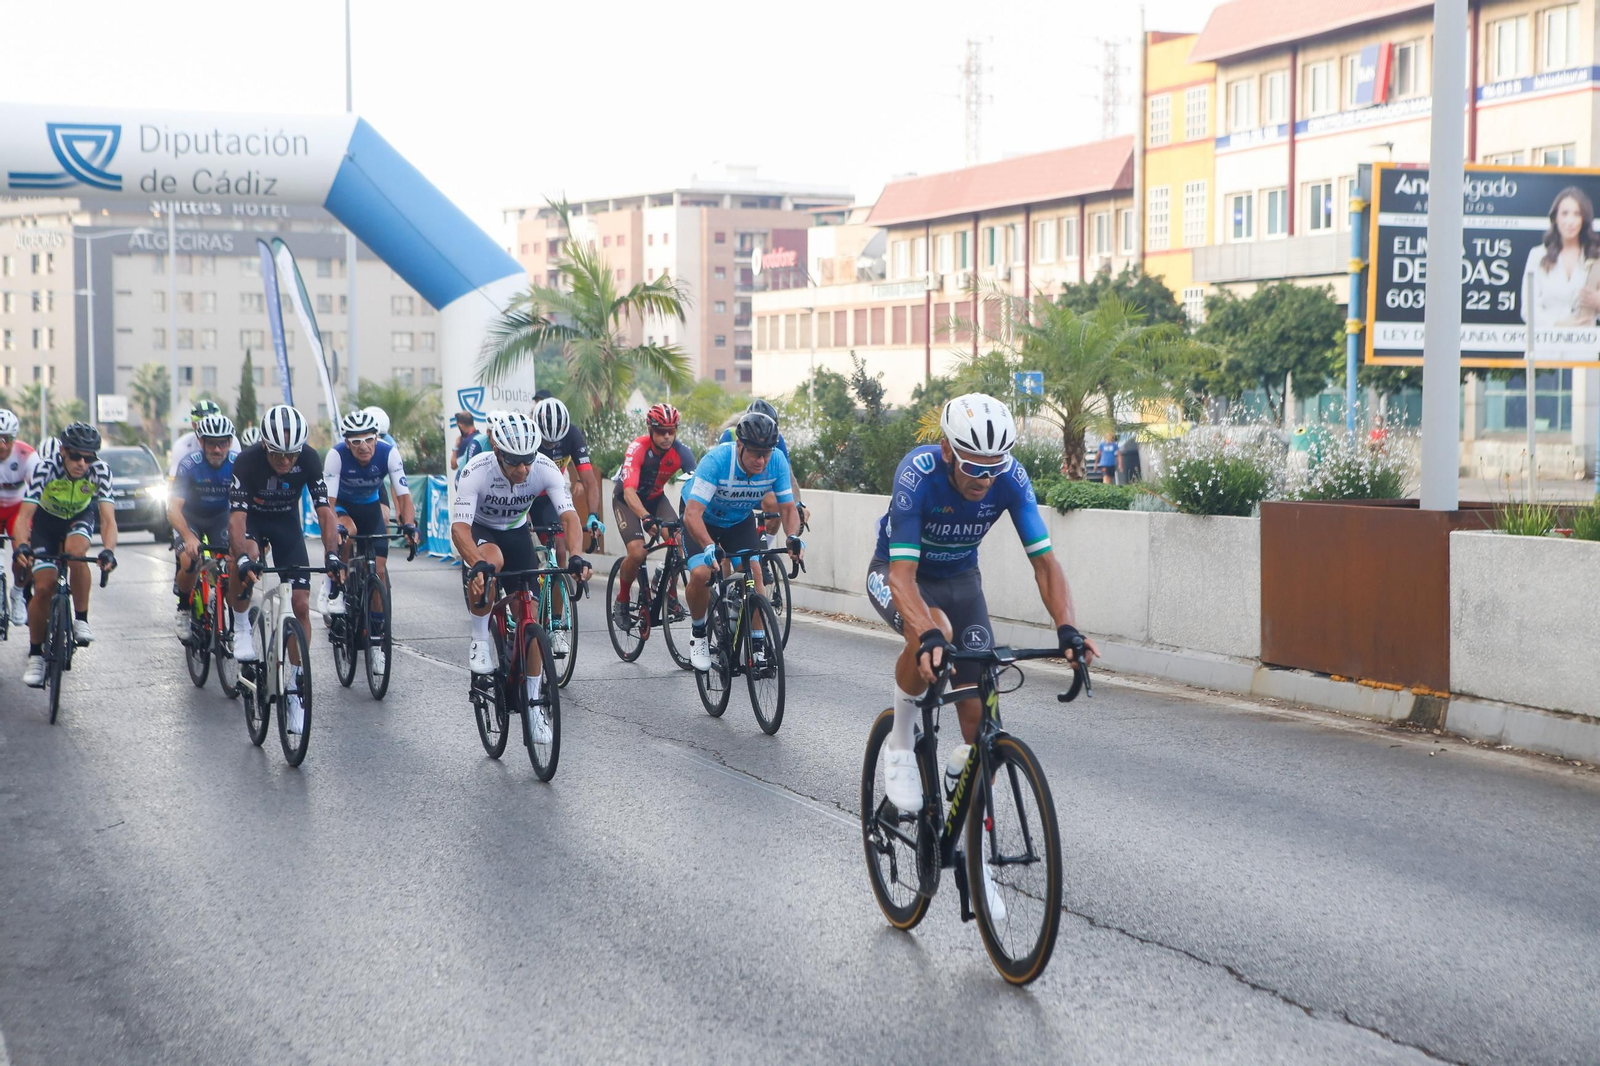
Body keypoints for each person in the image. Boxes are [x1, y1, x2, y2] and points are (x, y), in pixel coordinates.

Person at [869, 393, 1095, 822]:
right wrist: (929, 635)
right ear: (947, 451)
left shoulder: (1011, 477)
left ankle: (977, 862)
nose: (984, 481)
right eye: (973, 468)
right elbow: (901, 577)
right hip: (900, 573)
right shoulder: (918, 474)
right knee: (936, 632)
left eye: (993, 469)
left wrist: (1067, 629)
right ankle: (899, 743)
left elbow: (1045, 564)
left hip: (961, 581)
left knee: (980, 720)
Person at [451, 412, 591, 742]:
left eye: (528, 460)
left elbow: (569, 517)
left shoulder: (543, 468)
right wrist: (476, 564)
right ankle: (480, 639)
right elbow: (459, 529)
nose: (524, 470)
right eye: (515, 462)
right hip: (482, 531)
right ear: (498, 452)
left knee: (531, 618)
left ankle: (533, 705)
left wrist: (575, 556)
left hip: (516, 533)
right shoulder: (477, 469)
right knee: (491, 564)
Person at [227, 405, 342, 735]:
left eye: (291, 456)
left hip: (286, 525)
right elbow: (236, 520)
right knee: (244, 560)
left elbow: (324, 512)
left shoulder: (309, 458)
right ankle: (241, 628)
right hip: (253, 522)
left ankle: (294, 688)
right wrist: (243, 558)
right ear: (264, 445)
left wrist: (332, 554)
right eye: (277, 454)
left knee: (302, 605)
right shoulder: (247, 461)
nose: (285, 462)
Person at [681, 411, 803, 671]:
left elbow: (789, 509)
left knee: (755, 573)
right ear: (739, 446)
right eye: (755, 453)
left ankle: (757, 648)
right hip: (703, 518)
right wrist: (708, 546)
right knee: (702, 573)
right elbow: (692, 514)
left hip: (738, 519)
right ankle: (699, 632)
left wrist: (793, 537)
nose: (761, 460)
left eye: (766, 453)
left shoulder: (776, 461)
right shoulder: (717, 461)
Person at [13, 422, 118, 686]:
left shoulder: (101, 471)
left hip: (78, 520)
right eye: (75, 456)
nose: (82, 462)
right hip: (46, 525)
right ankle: (36, 655)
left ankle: (81, 619)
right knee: (45, 586)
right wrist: (22, 545)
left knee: (75, 553)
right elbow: (24, 516)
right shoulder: (46, 469)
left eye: (89, 456)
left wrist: (108, 550)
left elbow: (107, 519)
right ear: (63, 451)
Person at [322, 409, 418, 675]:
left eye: (368, 440)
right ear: (347, 443)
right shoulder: (336, 456)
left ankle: (376, 644)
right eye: (356, 442)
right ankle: (335, 586)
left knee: (379, 574)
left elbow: (405, 496)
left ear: (377, 438)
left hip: (371, 509)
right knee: (347, 531)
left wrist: (409, 525)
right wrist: (335, 530)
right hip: (342, 507)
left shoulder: (388, 453)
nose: (363, 447)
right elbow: (327, 505)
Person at [612, 403, 697, 628]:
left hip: (656, 499)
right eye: (661, 431)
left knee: (679, 540)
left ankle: (668, 593)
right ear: (650, 429)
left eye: (671, 431)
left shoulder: (682, 452)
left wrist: (695, 517)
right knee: (638, 552)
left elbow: (695, 488)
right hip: (627, 501)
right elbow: (629, 490)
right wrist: (645, 517)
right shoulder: (637, 448)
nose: (667, 436)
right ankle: (621, 600)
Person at [529, 395, 600, 655]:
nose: (550, 444)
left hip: (551, 494)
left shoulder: (572, 435)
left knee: (560, 552)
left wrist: (593, 515)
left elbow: (589, 480)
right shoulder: (527, 431)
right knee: (524, 551)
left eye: (554, 441)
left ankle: (557, 625)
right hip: (523, 495)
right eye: (545, 441)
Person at [168, 412, 240, 640]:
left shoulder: (238, 464)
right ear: (201, 442)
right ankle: (184, 608)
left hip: (220, 517)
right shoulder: (189, 465)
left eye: (222, 444)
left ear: (229, 442)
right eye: (211, 444)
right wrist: (188, 537)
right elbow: (173, 509)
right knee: (191, 560)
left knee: (233, 563)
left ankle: (234, 617)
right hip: (191, 518)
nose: (217, 450)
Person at [716, 398, 805, 543]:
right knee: (727, 554)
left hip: (759, 491)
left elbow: (790, 477)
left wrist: (798, 505)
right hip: (732, 494)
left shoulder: (777, 439)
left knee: (775, 505)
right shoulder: (730, 435)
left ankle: (763, 553)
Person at [1524, 186, 1600, 332]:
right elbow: (1528, 309)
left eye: (1577, 214)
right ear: (1555, 218)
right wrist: (1559, 325)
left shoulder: (1596, 257)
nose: (1570, 221)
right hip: (1546, 346)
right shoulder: (1538, 255)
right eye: (1564, 214)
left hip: (1583, 347)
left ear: (1584, 219)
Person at [0, 408, 39, 626]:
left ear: (15, 438)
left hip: (18, 508)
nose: (2, 445)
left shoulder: (28, 455)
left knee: (24, 553)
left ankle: (18, 592)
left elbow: (40, 490)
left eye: (8, 439)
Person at [168, 399, 230, 477]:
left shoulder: (232, 441)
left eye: (222, 443)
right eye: (202, 425)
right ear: (193, 425)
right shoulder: (181, 445)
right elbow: (174, 479)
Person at [449, 411, 488, 481]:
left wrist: (456, 446)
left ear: (460, 425)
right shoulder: (481, 437)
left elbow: (453, 465)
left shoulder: (465, 442)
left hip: (468, 481)